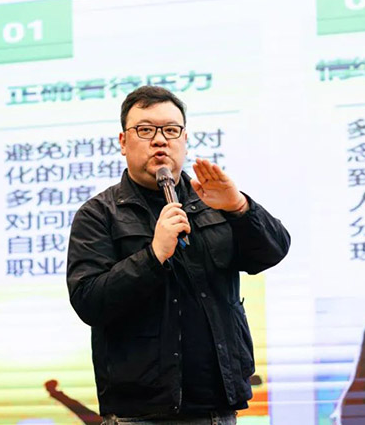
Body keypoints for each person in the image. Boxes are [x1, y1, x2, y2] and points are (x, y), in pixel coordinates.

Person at [66, 86, 291, 424]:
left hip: (216, 407)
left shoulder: (213, 199)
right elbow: (89, 301)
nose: (160, 141)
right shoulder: (99, 214)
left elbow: (272, 252)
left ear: (184, 139)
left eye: (171, 130)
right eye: (145, 130)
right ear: (123, 142)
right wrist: (153, 255)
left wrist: (239, 208)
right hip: (139, 413)